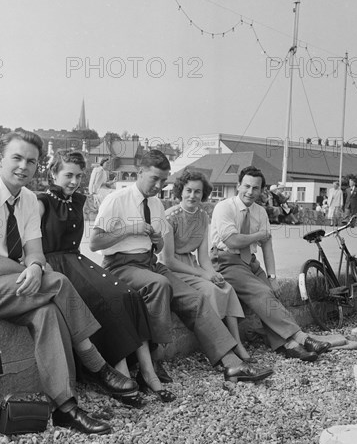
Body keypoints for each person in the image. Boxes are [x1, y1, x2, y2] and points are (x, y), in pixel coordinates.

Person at [0, 129, 138, 435]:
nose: (23, 166)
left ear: (37, 167)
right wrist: (34, 270)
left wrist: (34, 266)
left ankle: (66, 408)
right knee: (56, 283)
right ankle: (98, 366)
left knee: (47, 313)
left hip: (8, 282)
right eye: (16, 158)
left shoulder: (29, 200)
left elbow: (36, 252)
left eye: (31, 161)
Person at [90, 150, 274, 385]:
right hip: (120, 265)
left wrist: (156, 241)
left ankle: (231, 364)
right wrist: (128, 230)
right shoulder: (116, 199)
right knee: (160, 284)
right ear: (140, 172)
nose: (158, 185)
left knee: (196, 299)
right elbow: (95, 243)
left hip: (149, 263)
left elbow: (158, 251)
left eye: (163, 180)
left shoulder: (156, 204)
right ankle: (153, 363)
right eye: (154, 179)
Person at [38, 150, 174, 405]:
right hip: (54, 266)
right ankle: (122, 375)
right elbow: (28, 241)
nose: (73, 181)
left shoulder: (77, 201)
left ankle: (148, 372)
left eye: (78, 176)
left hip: (76, 261)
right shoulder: (41, 202)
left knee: (127, 296)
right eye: (68, 175)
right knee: (108, 301)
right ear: (53, 173)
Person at [210, 166, 331, 362]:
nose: (250, 192)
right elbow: (232, 241)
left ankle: (290, 346)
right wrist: (258, 235)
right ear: (238, 186)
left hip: (249, 262)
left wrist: (272, 277)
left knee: (271, 293)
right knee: (263, 293)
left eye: (255, 188)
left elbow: (267, 246)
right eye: (246, 186)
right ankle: (302, 338)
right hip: (225, 261)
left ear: (261, 191)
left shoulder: (260, 212)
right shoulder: (224, 207)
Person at [160, 170, 258, 364]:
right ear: (180, 191)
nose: (192, 196)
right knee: (211, 291)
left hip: (194, 266)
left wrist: (212, 273)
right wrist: (203, 275)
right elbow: (168, 260)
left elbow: (204, 257)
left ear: (203, 194)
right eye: (188, 190)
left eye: (197, 192)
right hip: (174, 270)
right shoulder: (169, 217)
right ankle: (223, 347)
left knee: (226, 288)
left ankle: (237, 343)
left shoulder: (203, 217)